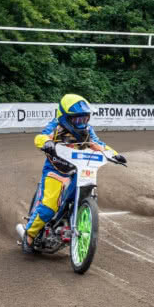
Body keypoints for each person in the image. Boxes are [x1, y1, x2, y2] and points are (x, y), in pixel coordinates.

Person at [18, 94, 126, 252]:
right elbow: (40, 137)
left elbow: (98, 145)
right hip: (56, 170)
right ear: (64, 117)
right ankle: (29, 236)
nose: (81, 123)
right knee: (48, 207)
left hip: (78, 171)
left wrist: (114, 154)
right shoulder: (56, 127)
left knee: (86, 190)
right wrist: (47, 143)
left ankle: (72, 219)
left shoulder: (88, 130)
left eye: (84, 119)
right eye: (77, 119)